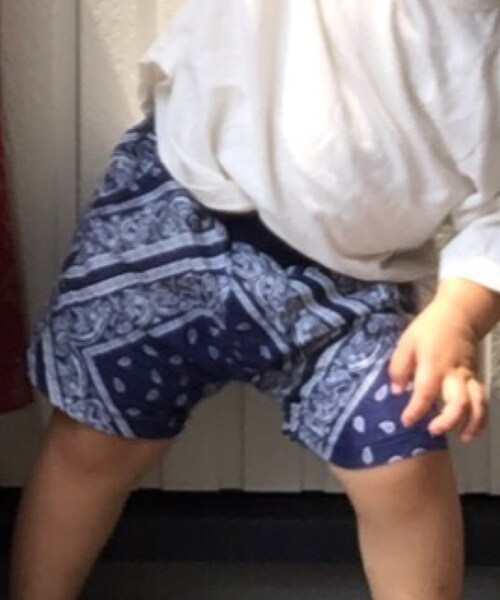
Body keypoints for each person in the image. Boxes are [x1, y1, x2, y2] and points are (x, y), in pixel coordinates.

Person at [10, 1, 500, 598]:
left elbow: (494, 218)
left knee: (404, 461)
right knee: (93, 440)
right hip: (178, 214)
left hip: (354, 285)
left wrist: (458, 316)